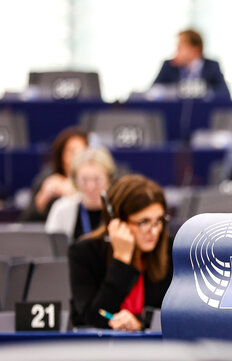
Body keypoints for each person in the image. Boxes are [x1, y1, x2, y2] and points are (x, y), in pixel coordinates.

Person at [69, 174, 172, 331]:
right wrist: (121, 260)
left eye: (158, 220)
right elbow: (92, 317)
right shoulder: (85, 252)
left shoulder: (170, 250)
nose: (154, 231)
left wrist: (140, 323)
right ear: (116, 222)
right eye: (144, 222)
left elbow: (172, 314)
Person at [45, 147, 116, 242]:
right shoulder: (62, 209)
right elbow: (50, 247)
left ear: (108, 179)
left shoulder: (118, 209)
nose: (91, 187)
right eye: (84, 180)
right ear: (75, 181)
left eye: (97, 180)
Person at [21, 127, 88, 221]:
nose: (76, 157)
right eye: (71, 151)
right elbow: (25, 221)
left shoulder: (94, 180)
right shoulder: (48, 178)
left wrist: (73, 192)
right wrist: (42, 198)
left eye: (81, 152)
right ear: (61, 155)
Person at [150, 29, 231, 101]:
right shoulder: (169, 66)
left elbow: (224, 94)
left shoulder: (212, 66)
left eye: (181, 46)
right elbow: (153, 91)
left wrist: (203, 91)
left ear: (196, 49)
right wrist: (175, 91)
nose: (177, 50)